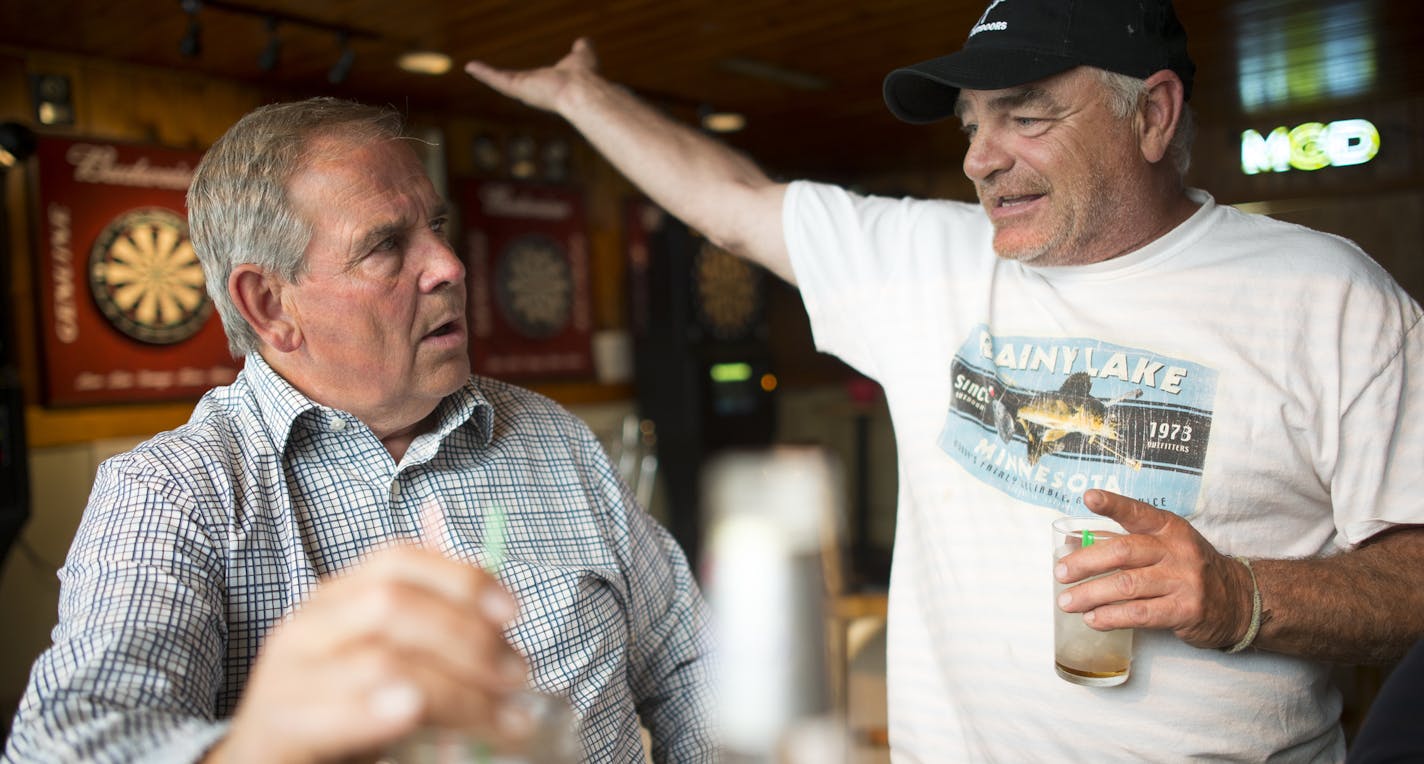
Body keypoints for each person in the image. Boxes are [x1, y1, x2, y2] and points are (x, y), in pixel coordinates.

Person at [465, 0, 1424, 760]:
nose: (978, 159)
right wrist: (583, 97)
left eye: (1028, 116)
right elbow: (734, 206)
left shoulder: (1326, 296)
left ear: (1154, 114)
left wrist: (1239, 596)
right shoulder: (935, 258)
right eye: (972, 124)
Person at [3, 98, 713, 763]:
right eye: (385, 246)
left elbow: (691, 663)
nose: (450, 265)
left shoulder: (552, 439)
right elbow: (66, 743)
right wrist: (261, 745)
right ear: (269, 304)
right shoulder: (175, 493)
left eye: (436, 227)